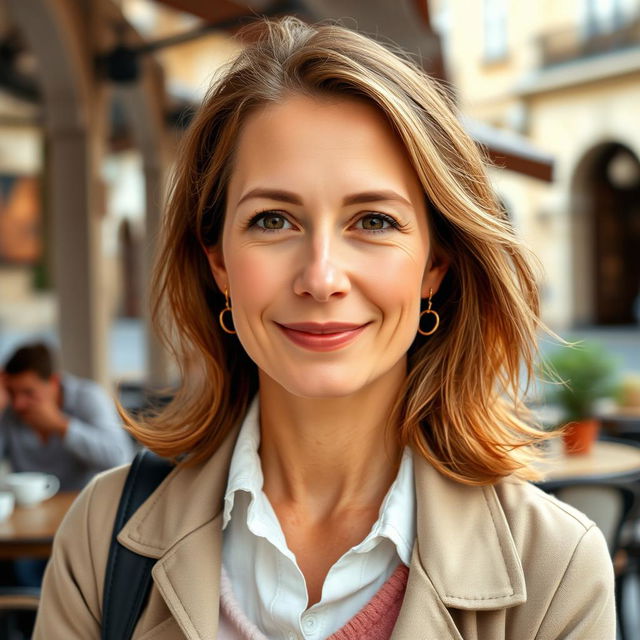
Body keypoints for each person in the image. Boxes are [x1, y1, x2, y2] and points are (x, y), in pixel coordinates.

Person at [33, 18, 614, 639]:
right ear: (219, 261)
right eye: (273, 219)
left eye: (374, 221)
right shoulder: (102, 536)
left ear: (435, 266)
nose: (321, 276)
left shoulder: (555, 568)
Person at [1, 342, 135, 491]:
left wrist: (61, 425)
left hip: (83, 505)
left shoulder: (88, 397)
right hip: (31, 511)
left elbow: (120, 458)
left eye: (28, 392)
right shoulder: (9, 409)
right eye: (12, 392)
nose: (18, 403)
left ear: (54, 382)